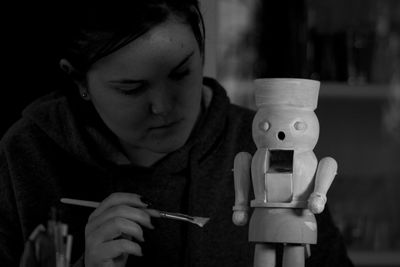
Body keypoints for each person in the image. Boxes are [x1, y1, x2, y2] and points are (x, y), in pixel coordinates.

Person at [0, 1, 354, 266]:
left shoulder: (256, 142)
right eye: (132, 88)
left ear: (202, 50)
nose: (163, 107)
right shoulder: (28, 154)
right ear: (80, 81)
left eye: (181, 73)